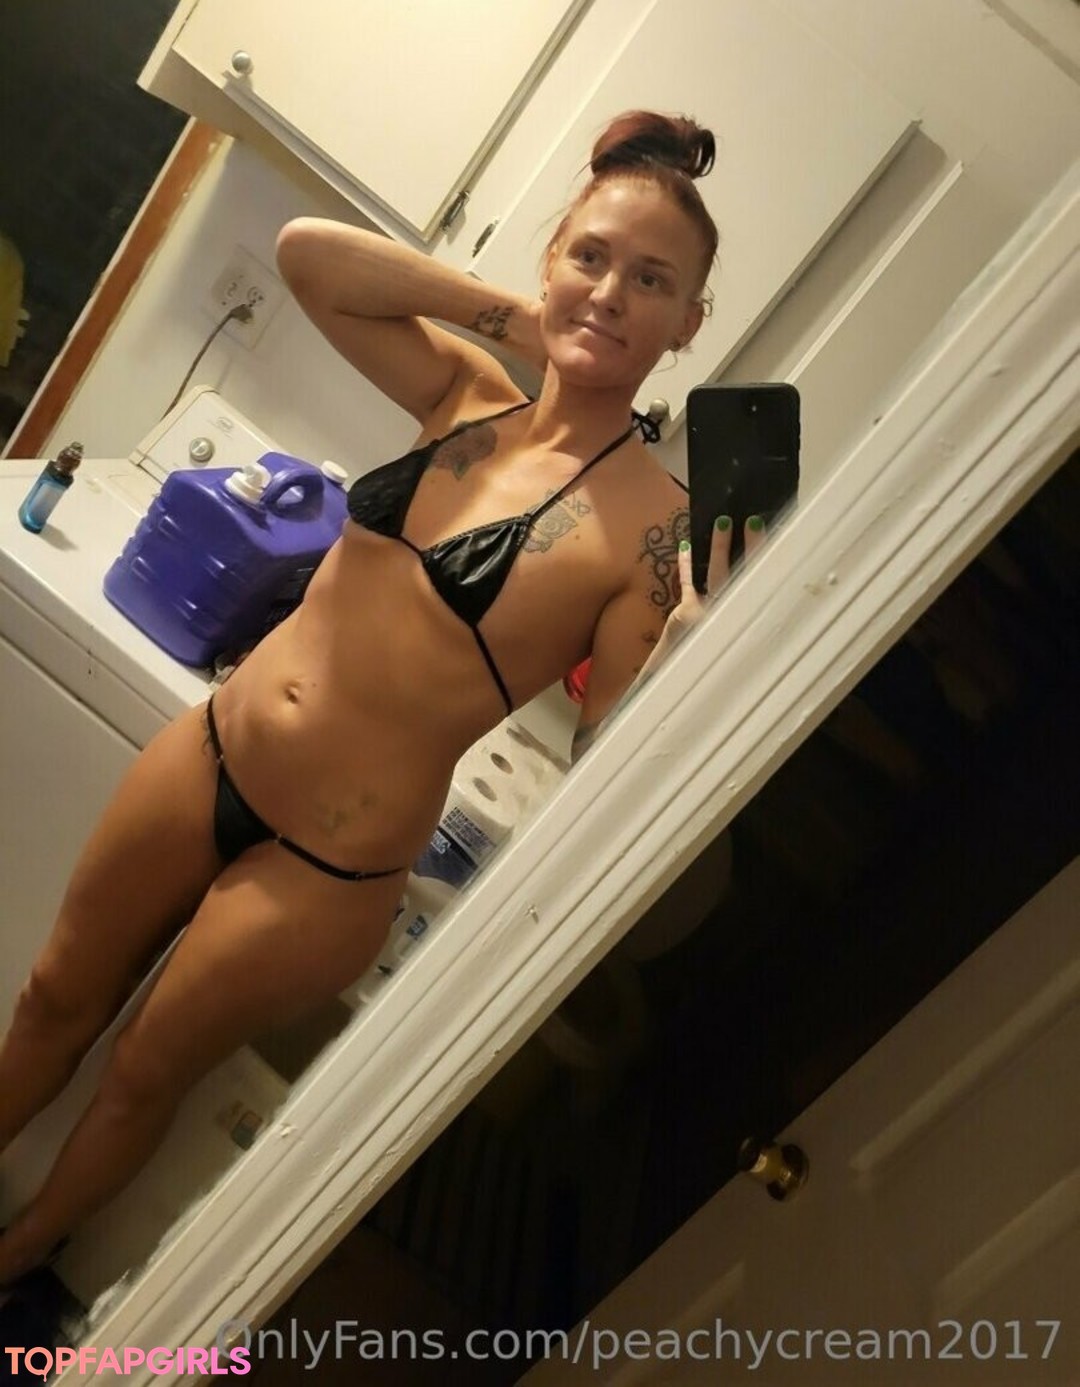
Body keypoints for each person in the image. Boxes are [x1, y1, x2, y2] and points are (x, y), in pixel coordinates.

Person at [0, 109, 764, 1291]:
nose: (613, 293)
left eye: (652, 281)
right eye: (592, 256)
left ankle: (17, 1254)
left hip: (324, 871)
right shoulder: (464, 394)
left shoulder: (653, 531)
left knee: (144, 1072)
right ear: (552, 259)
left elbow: (612, 761)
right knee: (54, 992)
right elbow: (310, 256)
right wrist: (526, 319)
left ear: (689, 324)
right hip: (213, 750)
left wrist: (690, 648)